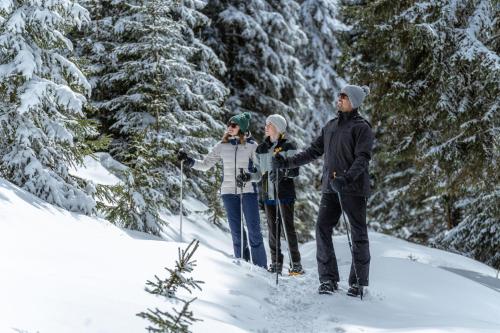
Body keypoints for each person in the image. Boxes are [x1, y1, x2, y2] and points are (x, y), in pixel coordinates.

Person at [273, 84, 374, 297]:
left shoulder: (361, 127)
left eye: (344, 96)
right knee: (322, 229)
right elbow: (313, 151)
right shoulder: (331, 126)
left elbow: (363, 158)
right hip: (330, 188)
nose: (339, 99)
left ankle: (357, 283)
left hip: (353, 189)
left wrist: (346, 179)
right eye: (339, 95)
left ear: (353, 102)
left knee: (358, 234)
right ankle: (328, 279)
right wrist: (287, 163)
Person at [177, 112, 267, 268]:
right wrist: (189, 161)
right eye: (228, 125)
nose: (229, 128)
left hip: (248, 192)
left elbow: (261, 172)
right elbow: (205, 164)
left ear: (242, 128)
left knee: (254, 231)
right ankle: (244, 266)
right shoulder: (222, 145)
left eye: (233, 125)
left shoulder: (252, 146)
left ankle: (261, 267)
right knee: (237, 233)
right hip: (228, 192)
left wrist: (249, 177)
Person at [254, 114, 304, 276]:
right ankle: (276, 262)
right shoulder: (261, 148)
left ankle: (295, 264)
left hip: (285, 192)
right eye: (266, 124)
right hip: (268, 191)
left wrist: (283, 173)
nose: (266, 127)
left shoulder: (289, 145)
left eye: (269, 124)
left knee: (288, 228)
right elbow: (260, 172)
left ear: (277, 127)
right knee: (272, 229)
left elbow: (295, 170)